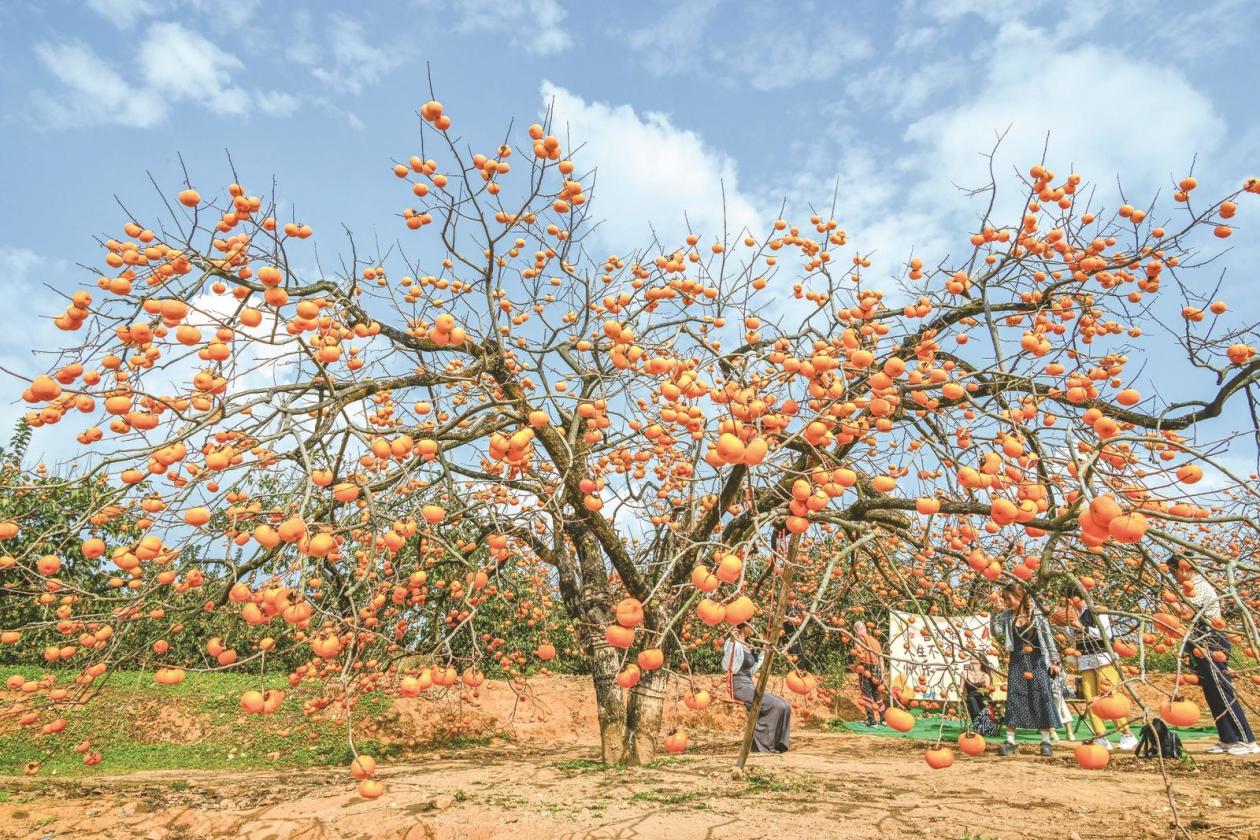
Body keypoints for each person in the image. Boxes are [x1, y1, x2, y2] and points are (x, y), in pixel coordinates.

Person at [1168, 555, 1259, 755]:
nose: (1173, 577)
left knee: (1222, 691)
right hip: (1200, 642)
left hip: (1211, 641)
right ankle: (1228, 738)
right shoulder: (1190, 586)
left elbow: (1186, 613)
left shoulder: (1198, 585)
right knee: (1213, 693)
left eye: (1172, 572)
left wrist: (1167, 602)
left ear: (1182, 568)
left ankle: (1246, 740)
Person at [1056, 589, 1139, 751]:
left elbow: (1105, 635)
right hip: (1086, 659)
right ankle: (1101, 736)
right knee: (1090, 698)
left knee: (1109, 696)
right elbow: (1074, 639)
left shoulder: (1097, 611)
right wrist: (1064, 626)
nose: (1066, 604)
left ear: (1077, 597)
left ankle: (1127, 735)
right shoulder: (1072, 614)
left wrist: (1082, 627)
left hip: (1104, 657)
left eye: (1068, 600)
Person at [990, 583, 1061, 756]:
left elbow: (1048, 638)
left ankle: (1045, 741)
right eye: (1005, 599)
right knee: (1015, 697)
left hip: (1037, 661)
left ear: (1019, 596)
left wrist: (1055, 661)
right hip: (1017, 662)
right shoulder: (1007, 615)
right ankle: (1010, 740)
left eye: (1008, 598)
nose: (1006, 602)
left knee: (1041, 696)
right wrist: (994, 613)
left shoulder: (1036, 615)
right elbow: (996, 632)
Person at [723, 622, 792, 752]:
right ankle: (762, 747)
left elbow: (752, 670)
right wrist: (732, 641)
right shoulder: (733, 642)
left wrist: (764, 652)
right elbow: (727, 664)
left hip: (749, 684)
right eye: (752, 624)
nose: (754, 626)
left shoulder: (748, 645)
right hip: (738, 686)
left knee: (785, 705)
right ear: (743, 627)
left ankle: (779, 744)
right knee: (773, 705)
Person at [851, 620, 885, 727]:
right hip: (877, 668)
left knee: (866, 694)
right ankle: (883, 719)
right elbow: (881, 658)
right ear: (865, 628)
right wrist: (882, 672)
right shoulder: (875, 640)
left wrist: (854, 666)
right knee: (877, 693)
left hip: (865, 668)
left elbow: (860, 656)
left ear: (856, 630)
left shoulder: (858, 639)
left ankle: (872, 721)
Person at [962, 653, 993, 719]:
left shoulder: (985, 676)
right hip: (970, 698)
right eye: (972, 656)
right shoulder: (965, 672)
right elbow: (960, 689)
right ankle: (978, 721)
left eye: (975, 656)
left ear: (980, 660)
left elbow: (987, 691)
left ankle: (985, 720)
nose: (972, 657)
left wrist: (984, 687)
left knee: (984, 701)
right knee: (971, 699)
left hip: (982, 697)